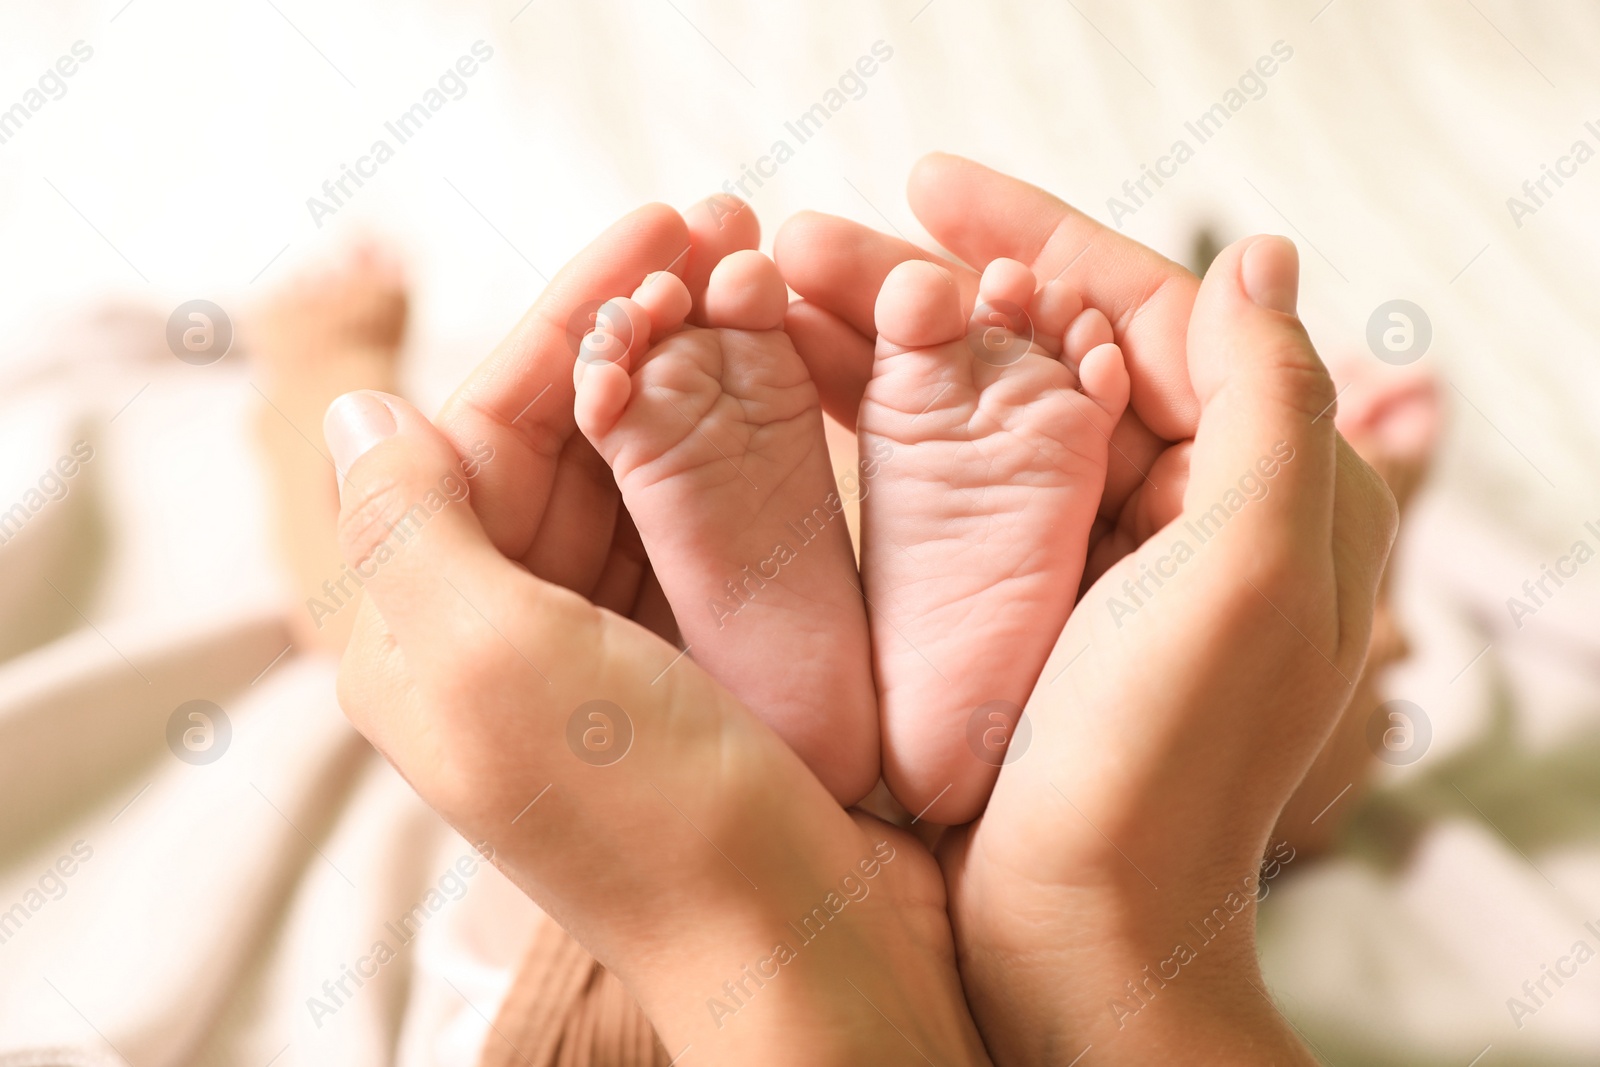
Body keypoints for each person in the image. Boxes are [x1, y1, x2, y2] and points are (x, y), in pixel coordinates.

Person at [320, 154, 1397, 1064]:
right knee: (1248, 763)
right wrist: (1091, 922)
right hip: (1103, 1006)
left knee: (465, 695)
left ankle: (780, 680)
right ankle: (1004, 676)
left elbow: (363, 628)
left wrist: (323, 369)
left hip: (663, 964)